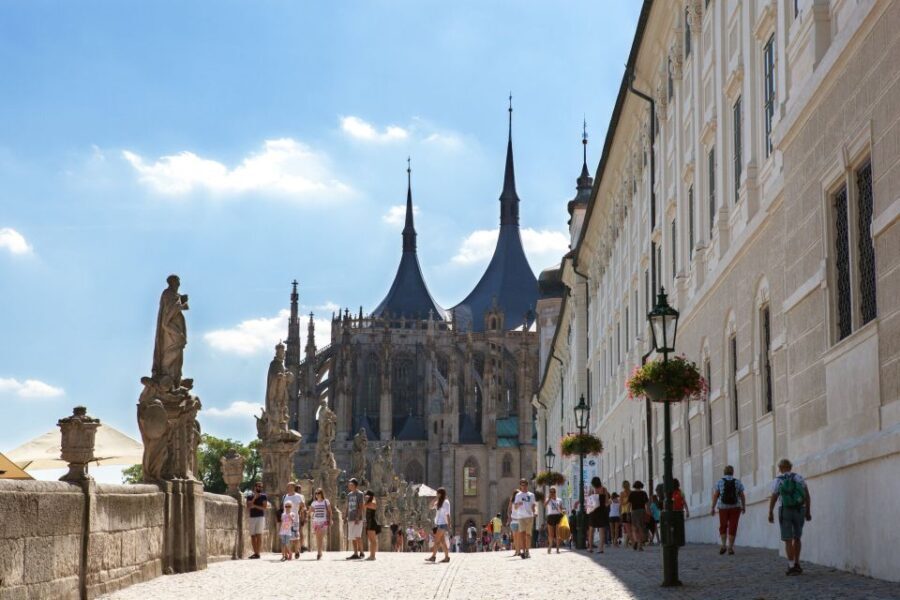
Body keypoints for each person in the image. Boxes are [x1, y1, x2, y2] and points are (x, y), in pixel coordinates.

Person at [768, 458, 811, 575]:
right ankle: (797, 563)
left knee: (788, 539)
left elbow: (774, 497)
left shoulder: (778, 480)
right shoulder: (799, 478)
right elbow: (807, 495)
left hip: (785, 510)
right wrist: (808, 511)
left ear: (780, 468)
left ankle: (791, 566)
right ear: (790, 467)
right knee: (797, 537)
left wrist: (770, 512)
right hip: (799, 509)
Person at [711, 465, 746, 555]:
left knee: (723, 525)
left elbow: (716, 495)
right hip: (735, 507)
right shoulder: (737, 482)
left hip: (723, 507)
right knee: (733, 526)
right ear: (732, 472)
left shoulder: (719, 482)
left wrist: (712, 507)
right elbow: (742, 495)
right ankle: (730, 547)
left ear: (724, 472)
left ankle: (723, 545)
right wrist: (743, 506)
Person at [424, 487, 452, 563]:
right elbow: (430, 506)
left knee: (437, 541)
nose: (436, 494)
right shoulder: (439, 502)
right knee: (442, 542)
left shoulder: (446, 502)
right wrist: (436, 498)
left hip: (443, 524)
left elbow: (448, 514)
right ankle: (447, 557)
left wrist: (449, 525)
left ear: (441, 494)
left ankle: (433, 557)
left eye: (437, 493)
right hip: (439, 524)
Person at [512, 478, 537, 559]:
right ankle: (523, 551)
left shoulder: (531, 495)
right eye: (522, 485)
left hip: (529, 516)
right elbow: (515, 507)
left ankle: (527, 551)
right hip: (521, 517)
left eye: (525, 484)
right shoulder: (518, 495)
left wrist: (535, 512)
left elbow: (534, 505)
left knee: (528, 535)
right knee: (522, 534)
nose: (523, 486)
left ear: (527, 485)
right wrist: (518, 504)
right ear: (520, 486)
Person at [282, 482, 305, 559]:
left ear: (293, 487)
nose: (288, 487)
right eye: (287, 486)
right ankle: (287, 554)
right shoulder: (285, 496)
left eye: (289, 486)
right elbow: (283, 508)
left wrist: (300, 513)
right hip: (286, 520)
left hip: (295, 520)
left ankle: (297, 550)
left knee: (295, 537)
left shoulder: (298, 496)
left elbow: (303, 506)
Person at [587, 477, 610, 554]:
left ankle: (590, 548)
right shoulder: (604, 489)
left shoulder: (591, 490)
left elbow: (588, 501)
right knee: (601, 530)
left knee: (591, 530)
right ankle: (601, 548)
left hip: (593, 512)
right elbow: (606, 502)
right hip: (602, 512)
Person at [345, 478, 365, 560]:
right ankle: (355, 553)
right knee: (352, 536)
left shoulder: (360, 494)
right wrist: (345, 515)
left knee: (358, 536)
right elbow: (348, 506)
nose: (349, 485)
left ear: (355, 485)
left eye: (351, 484)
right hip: (350, 517)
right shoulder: (349, 495)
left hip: (357, 518)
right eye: (349, 484)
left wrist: (358, 517)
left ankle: (362, 552)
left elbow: (361, 506)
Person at [309, 487, 332, 560]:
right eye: (316, 493)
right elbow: (310, 511)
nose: (317, 494)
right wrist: (310, 511)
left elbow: (330, 511)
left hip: (323, 521)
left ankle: (319, 552)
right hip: (316, 521)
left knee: (321, 537)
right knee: (317, 537)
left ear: (322, 494)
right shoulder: (314, 503)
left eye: (318, 493)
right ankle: (319, 552)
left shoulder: (326, 501)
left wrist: (330, 519)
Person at [247, 481, 267, 559]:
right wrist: (254, 498)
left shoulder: (264, 496)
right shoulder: (249, 496)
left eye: (261, 487)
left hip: (260, 517)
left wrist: (254, 506)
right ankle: (256, 553)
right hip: (252, 517)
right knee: (252, 535)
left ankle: (257, 553)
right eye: (258, 486)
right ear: (255, 487)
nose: (260, 488)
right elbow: (248, 506)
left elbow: (264, 508)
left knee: (259, 535)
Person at [628, 480, 649, 551]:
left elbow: (629, 505)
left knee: (634, 528)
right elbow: (647, 504)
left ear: (634, 486)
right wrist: (648, 512)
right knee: (641, 528)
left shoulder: (632, 494)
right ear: (641, 486)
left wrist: (628, 513)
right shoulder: (644, 493)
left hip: (634, 512)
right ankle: (640, 545)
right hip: (642, 511)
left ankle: (636, 541)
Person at [544, 486, 565, 554]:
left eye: (553, 492)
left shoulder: (559, 500)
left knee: (557, 533)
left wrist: (563, 511)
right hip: (550, 516)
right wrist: (549, 498)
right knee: (551, 534)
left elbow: (561, 509)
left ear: (555, 492)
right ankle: (550, 545)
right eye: (551, 492)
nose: (552, 493)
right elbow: (544, 505)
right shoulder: (548, 499)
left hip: (558, 516)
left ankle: (557, 548)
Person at [362, 490, 380, 561]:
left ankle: (373, 556)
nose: (365, 497)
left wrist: (368, 499)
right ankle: (371, 555)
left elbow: (364, 506)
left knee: (373, 540)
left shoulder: (373, 502)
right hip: (369, 522)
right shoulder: (369, 502)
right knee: (371, 540)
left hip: (372, 522)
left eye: (366, 495)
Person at [507, 490, 521, 556]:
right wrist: (509, 517)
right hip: (514, 521)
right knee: (515, 537)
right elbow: (508, 510)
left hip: (519, 521)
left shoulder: (520, 501)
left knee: (517, 537)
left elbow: (508, 510)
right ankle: (517, 551)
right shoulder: (512, 502)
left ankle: (518, 551)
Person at [620, 480, 632, 548]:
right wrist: (628, 501)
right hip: (629, 511)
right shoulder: (630, 492)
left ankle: (629, 542)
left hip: (625, 512)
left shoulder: (623, 493)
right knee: (629, 528)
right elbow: (621, 503)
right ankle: (627, 543)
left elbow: (621, 503)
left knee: (628, 528)